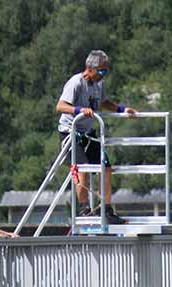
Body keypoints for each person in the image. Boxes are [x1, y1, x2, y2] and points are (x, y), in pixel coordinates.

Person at [56, 50, 137, 213]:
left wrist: (122, 109)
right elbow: (60, 106)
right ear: (89, 68)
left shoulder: (99, 85)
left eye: (106, 71)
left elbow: (103, 102)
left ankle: (105, 207)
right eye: (101, 71)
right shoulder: (76, 82)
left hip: (88, 133)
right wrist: (79, 110)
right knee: (82, 168)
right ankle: (83, 207)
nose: (103, 74)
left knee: (105, 166)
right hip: (70, 132)